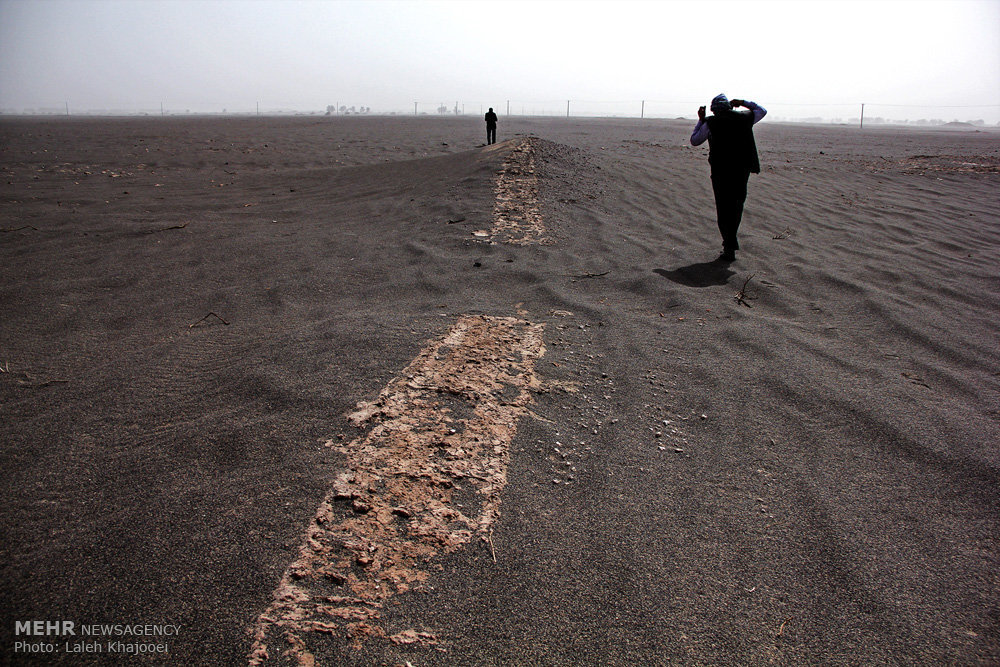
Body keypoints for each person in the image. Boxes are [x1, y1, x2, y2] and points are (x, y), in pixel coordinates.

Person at [690, 94, 766, 262]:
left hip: (721, 171)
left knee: (723, 208)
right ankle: (730, 244)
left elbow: (695, 140)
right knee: (736, 206)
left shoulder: (711, 122)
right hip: (742, 170)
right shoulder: (744, 118)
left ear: (714, 110)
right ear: (730, 107)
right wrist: (743, 102)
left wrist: (701, 120)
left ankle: (729, 245)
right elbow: (761, 110)